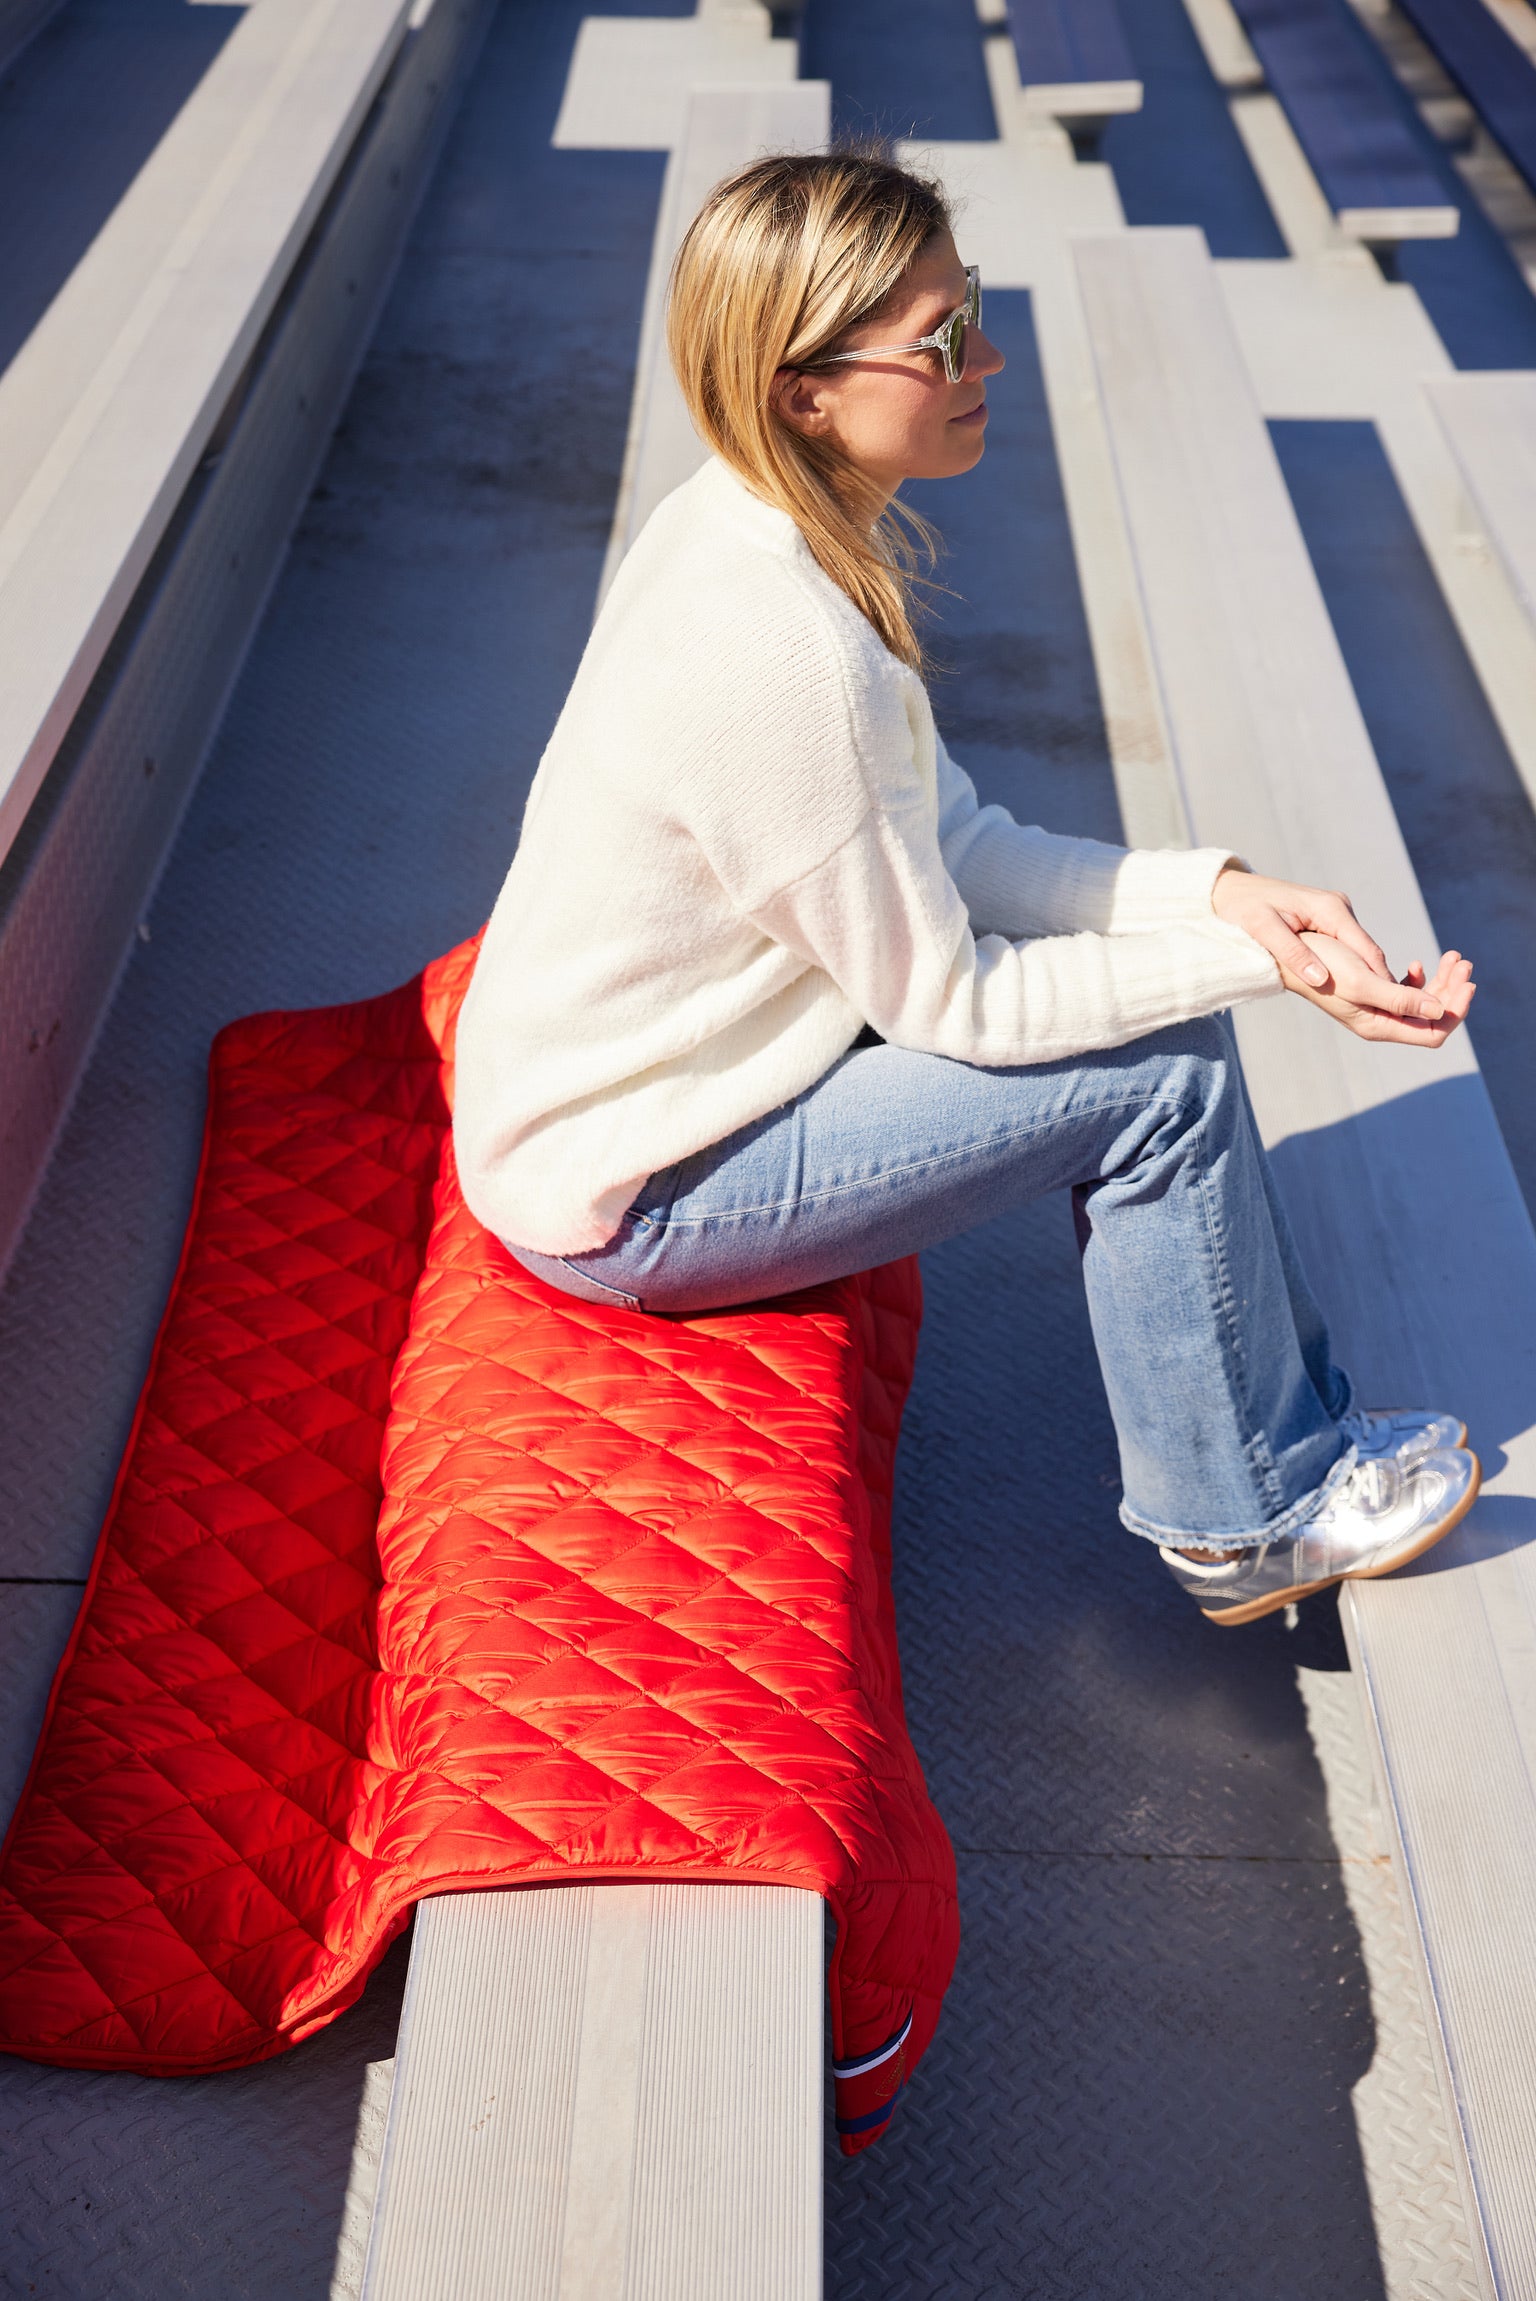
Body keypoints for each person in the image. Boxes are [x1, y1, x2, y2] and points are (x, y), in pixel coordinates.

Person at [454, 151, 1479, 1628]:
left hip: (633, 1092)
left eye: (974, 306)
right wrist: (1257, 975)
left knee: (1170, 1011)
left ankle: (1280, 1438)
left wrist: (1227, 898)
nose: (989, 356)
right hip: (632, 1185)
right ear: (807, 390)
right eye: (943, 338)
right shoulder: (779, 647)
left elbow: (960, 845)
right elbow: (960, 997)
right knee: (1162, 1082)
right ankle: (1246, 1512)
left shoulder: (756, 522)